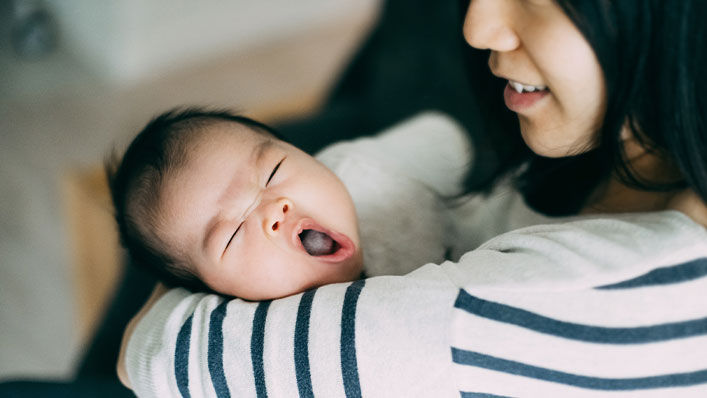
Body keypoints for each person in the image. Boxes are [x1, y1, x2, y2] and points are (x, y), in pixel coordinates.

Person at [118, 0, 707, 396]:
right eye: (231, 232)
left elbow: (151, 351)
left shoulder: (518, 307)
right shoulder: (622, 147)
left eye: (275, 170)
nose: (475, 27)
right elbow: (443, 140)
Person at [107, 108, 469, 300]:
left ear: (304, 154)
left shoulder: (367, 169)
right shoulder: (261, 337)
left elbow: (447, 140)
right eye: (231, 235)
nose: (273, 212)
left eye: (272, 171)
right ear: (214, 293)